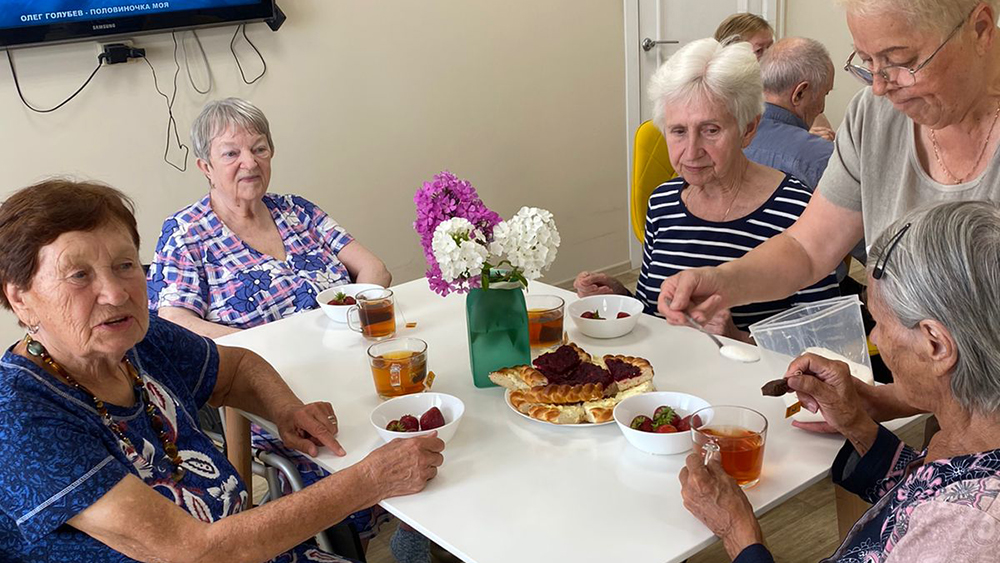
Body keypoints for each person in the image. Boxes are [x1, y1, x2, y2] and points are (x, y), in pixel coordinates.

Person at [0, 179, 444, 562]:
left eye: (125, 265)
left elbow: (237, 368)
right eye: (79, 275)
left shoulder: (140, 340)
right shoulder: (21, 416)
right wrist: (368, 481)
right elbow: (194, 551)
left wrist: (286, 410)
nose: (115, 293)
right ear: (20, 298)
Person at [660, 0, 1000, 421]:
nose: (879, 86)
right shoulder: (875, 117)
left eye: (900, 61)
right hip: (949, 412)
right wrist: (721, 283)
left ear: (981, 29)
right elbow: (807, 247)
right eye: (866, 61)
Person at [679, 200, 1000, 562]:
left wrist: (737, 531)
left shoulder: (967, 528)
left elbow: (939, 522)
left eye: (878, 322)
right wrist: (856, 424)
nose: (874, 338)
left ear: (936, 345)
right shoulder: (974, 443)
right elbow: (924, 494)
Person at [574, 38, 839, 342]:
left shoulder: (796, 207)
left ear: (748, 129)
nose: (691, 151)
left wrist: (737, 337)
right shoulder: (662, 203)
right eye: (678, 131)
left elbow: (826, 336)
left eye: (710, 130)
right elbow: (655, 313)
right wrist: (621, 297)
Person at [147, 97, 391, 339]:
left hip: (345, 346)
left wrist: (349, 320)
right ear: (206, 167)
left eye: (259, 149)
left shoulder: (298, 210)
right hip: (259, 369)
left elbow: (375, 269)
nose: (250, 162)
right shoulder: (184, 233)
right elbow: (176, 322)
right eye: (231, 153)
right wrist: (261, 349)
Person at [744, 37, 835, 189]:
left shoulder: (726, 140)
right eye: (824, 94)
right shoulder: (820, 157)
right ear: (799, 93)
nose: (822, 109)